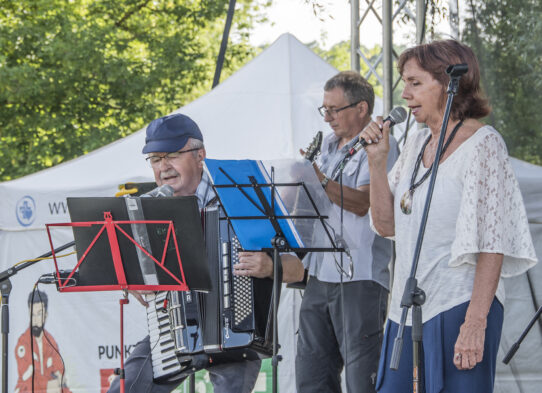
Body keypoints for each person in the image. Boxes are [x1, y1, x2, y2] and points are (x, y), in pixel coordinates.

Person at [362, 40, 538, 393]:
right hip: (406, 308)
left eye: (415, 83)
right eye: (404, 83)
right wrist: (376, 162)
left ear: (448, 83)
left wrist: (475, 323)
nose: (405, 94)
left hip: (458, 305)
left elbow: (493, 241)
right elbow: (385, 225)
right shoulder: (414, 145)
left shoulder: (484, 144)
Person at [107, 113, 304, 393]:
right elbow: (134, 269)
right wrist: (134, 279)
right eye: (155, 159)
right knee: (123, 390)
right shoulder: (149, 210)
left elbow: (299, 269)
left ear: (200, 155)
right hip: (172, 329)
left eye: (173, 155)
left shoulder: (240, 198)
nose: (164, 167)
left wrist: (270, 265)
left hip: (236, 336)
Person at [295, 71, 399, 393]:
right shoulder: (324, 147)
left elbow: (364, 203)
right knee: (311, 375)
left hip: (360, 276)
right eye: (323, 109)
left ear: (362, 108)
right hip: (319, 271)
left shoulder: (381, 145)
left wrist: (319, 180)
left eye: (334, 110)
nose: (327, 118)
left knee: (360, 378)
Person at [14, 290, 72, 393]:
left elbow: (59, 369)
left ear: (46, 315)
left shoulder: (50, 341)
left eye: (39, 314)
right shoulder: (23, 342)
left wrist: (59, 378)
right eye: (33, 314)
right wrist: (51, 384)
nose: (35, 319)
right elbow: (28, 377)